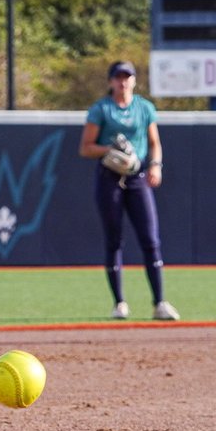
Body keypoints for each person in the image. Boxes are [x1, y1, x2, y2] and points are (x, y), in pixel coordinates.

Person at [79, 61, 180, 322]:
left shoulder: (144, 108)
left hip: (137, 177)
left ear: (134, 80)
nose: (123, 81)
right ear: (111, 81)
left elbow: (154, 143)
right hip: (109, 178)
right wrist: (110, 152)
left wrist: (156, 166)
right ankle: (119, 302)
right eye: (118, 77)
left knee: (150, 240)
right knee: (114, 240)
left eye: (128, 77)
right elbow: (86, 147)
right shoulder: (102, 109)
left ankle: (159, 302)